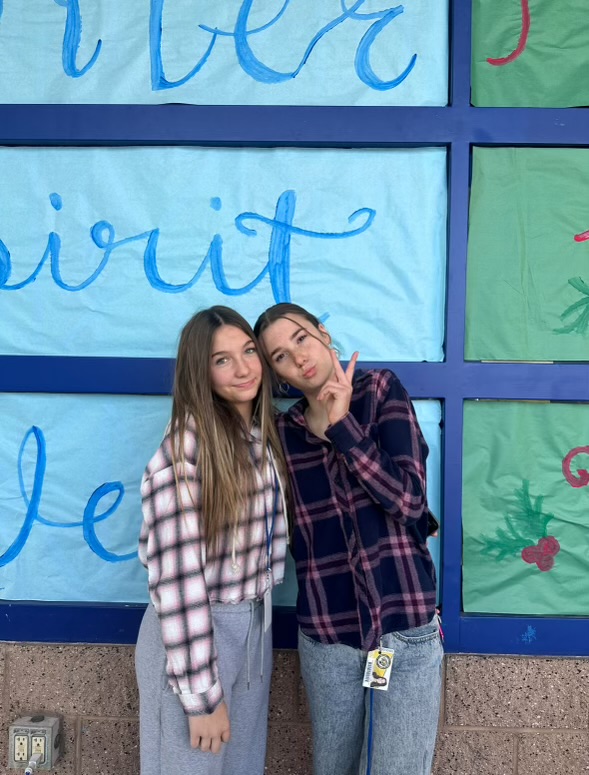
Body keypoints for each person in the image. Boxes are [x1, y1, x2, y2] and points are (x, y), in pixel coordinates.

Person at [254, 303, 443, 775]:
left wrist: (344, 430)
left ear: (322, 332)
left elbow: (409, 503)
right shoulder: (283, 433)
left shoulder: (381, 392)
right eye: (279, 356)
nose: (298, 358)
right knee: (333, 768)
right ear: (275, 373)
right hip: (328, 635)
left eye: (300, 338)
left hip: (403, 626)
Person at [135, 305, 289, 775]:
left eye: (248, 351)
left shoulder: (261, 437)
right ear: (200, 372)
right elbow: (176, 579)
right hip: (197, 636)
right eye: (222, 360)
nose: (243, 368)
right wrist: (200, 698)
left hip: (253, 627)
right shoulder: (187, 446)